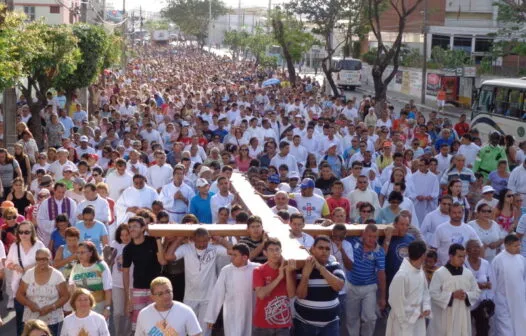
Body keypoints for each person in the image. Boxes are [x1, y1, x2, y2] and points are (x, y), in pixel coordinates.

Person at [164, 227, 231, 336]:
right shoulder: (186, 248)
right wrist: (180, 238)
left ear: (209, 239)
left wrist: (219, 239)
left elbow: (233, 251)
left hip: (209, 297)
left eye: (205, 241)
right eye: (199, 241)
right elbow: (168, 256)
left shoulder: (213, 248)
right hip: (190, 296)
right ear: (193, 239)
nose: (202, 244)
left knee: (205, 332)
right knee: (187, 329)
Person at [204, 243, 261, 335]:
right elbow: (218, 294)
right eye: (231, 255)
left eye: (235, 255)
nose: (231, 258)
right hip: (232, 314)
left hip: (251, 313)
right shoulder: (226, 270)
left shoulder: (257, 268)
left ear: (245, 257)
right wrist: (211, 317)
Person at [294, 235, 345, 336]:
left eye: (327, 249)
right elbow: (300, 295)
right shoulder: (302, 266)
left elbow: (339, 286)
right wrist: (305, 275)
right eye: (320, 248)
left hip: (330, 325)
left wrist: (319, 267)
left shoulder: (335, 265)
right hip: (305, 324)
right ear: (313, 249)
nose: (324, 251)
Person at [122, 216, 166, 331]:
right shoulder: (128, 249)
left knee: (158, 322)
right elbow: (125, 273)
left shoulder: (152, 241)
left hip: (156, 289)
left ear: (143, 228)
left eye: (135, 226)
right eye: (130, 227)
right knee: (138, 324)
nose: (132, 229)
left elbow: (162, 261)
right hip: (138, 290)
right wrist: (128, 299)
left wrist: (157, 239)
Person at [428, 243, 481, 336]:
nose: (462, 259)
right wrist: (452, 295)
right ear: (451, 256)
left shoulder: (467, 273)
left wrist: (466, 295)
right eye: (459, 256)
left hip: (463, 315)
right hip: (445, 316)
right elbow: (433, 294)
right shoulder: (440, 273)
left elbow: (476, 291)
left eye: (464, 257)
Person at [16, 248, 69, 336]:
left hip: (52, 319)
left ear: (50, 259)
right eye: (38, 259)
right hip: (31, 319)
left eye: (45, 259)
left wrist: (52, 307)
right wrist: (30, 304)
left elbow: (65, 296)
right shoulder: (29, 274)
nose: (42, 262)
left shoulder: (57, 275)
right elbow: (19, 295)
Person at [5, 221, 45, 335]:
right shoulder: (14, 246)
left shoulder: (39, 245)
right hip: (19, 287)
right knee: (21, 320)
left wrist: (28, 268)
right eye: (21, 232)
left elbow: (46, 261)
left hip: (37, 287)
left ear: (32, 232)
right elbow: (7, 262)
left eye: (26, 232)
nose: (23, 235)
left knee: (37, 321)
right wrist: (13, 266)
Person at [345, 224, 386, 336]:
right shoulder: (353, 242)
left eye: (374, 237)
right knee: (351, 317)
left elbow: (381, 275)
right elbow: (341, 230)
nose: (372, 239)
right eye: (369, 236)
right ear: (363, 234)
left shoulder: (379, 251)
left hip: (369, 287)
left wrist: (382, 297)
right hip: (352, 285)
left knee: (369, 318)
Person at [385, 240, 431, 336]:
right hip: (403, 323)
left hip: (419, 319)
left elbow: (425, 291)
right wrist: (414, 313)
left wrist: (426, 306)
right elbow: (395, 301)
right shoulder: (402, 275)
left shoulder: (420, 270)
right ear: (423, 256)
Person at [252, 238, 296, 335]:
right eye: (271, 250)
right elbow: (261, 294)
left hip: (283, 323)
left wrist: (287, 273)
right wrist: (280, 277)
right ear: (265, 253)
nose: (275, 253)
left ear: (281, 251)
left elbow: (291, 294)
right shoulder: (258, 270)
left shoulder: (289, 269)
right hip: (262, 323)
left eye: (277, 249)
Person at [134, 276, 202, 336]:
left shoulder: (186, 311)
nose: (166, 296)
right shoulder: (144, 314)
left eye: (168, 291)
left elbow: (196, 334)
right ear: (152, 297)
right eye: (160, 294)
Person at [490, 234, 526, 336]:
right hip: (502, 299)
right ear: (506, 246)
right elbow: (493, 280)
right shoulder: (498, 260)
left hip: (519, 300)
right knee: (505, 329)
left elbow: (523, 278)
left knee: (520, 325)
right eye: (515, 246)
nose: (518, 248)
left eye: (519, 245)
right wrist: (493, 298)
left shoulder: (521, 259)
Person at [68, 241, 112, 317]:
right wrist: (74, 306)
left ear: (91, 253)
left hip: (98, 306)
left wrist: (107, 308)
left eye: (82, 252)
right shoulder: (76, 267)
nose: (79, 255)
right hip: (80, 307)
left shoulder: (101, 266)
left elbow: (108, 289)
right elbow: (71, 287)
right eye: (78, 253)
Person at [463, 239, 494, 336]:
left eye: (478, 247)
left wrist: (482, 286)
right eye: (473, 247)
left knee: (483, 330)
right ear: (467, 251)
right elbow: (465, 283)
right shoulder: (463, 264)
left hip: (482, 303)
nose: (476, 249)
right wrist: (481, 285)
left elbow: (490, 283)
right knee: (466, 330)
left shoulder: (485, 263)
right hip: (467, 303)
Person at [36, 182, 77, 247]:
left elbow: (74, 218)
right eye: (59, 192)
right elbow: (40, 219)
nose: (61, 194)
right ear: (54, 191)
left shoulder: (71, 202)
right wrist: (54, 223)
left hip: (67, 235)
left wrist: (65, 227)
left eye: (63, 192)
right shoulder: (46, 203)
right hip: (51, 234)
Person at [109, 224, 132, 336]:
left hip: (132, 284)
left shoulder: (135, 245)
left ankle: (127, 334)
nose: (125, 237)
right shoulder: (114, 245)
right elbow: (107, 260)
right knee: (118, 313)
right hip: (117, 284)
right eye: (122, 235)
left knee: (128, 313)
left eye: (127, 234)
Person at [382, 214, 415, 290]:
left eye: (407, 225)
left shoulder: (411, 238)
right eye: (402, 224)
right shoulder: (387, 237)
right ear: (395, 224)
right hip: (390, 279)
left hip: (407, 279)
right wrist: (387, 238)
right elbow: (382, 255)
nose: (404, 227)